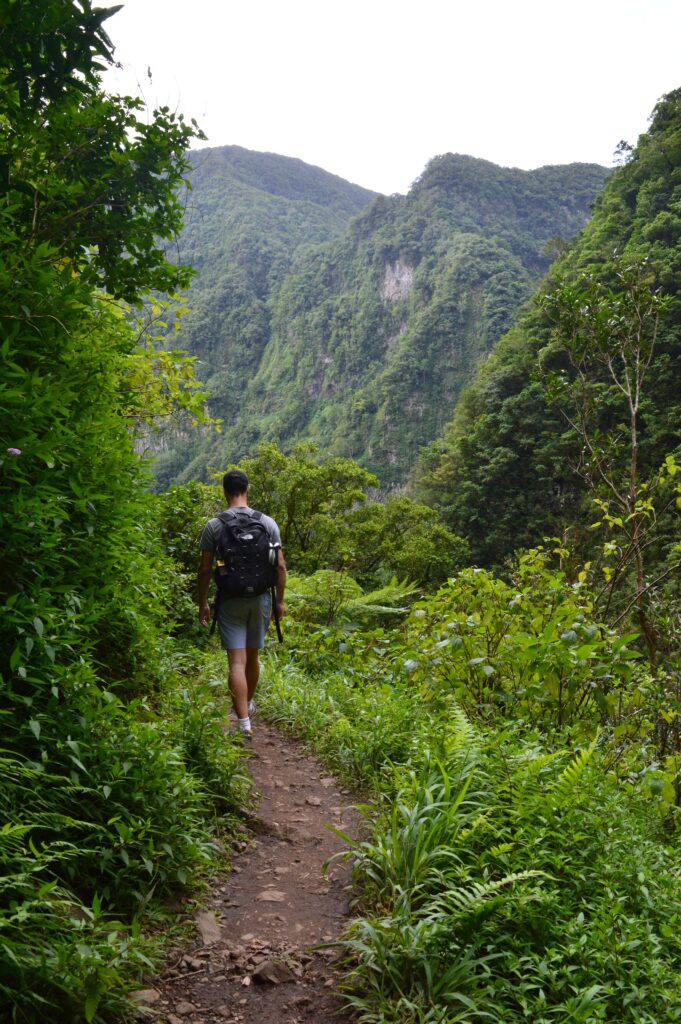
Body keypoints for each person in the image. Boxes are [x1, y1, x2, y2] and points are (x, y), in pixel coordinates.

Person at [198, 469, 286, 738]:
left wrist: (203, 602)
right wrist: (279, 602)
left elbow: (204, 570)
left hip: (229, 600)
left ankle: (244, 723)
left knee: (236, 661)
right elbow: (280, 566)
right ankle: (247, 704)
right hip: (260, 599)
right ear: (248, 489)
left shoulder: (214, 526)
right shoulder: (267, 522)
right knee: (252, 658)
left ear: (224, 491)